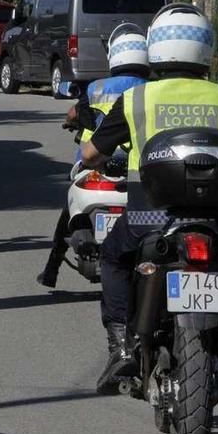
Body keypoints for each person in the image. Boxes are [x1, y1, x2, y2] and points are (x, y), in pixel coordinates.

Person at [80, 3, 218, 403]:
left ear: (155, 48)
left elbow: (90, 155)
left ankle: (121, 346)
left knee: (114, 259)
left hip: (149, 214)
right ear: (205, 49)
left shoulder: (137, 99)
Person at [36, 23, 150, 288]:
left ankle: (52, 268)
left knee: (67, 214)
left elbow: (75, 114)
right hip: (138, 167)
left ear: (114, 55)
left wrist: (69, 121)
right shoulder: (151, 89)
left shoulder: (96, 88)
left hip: (95, 163)